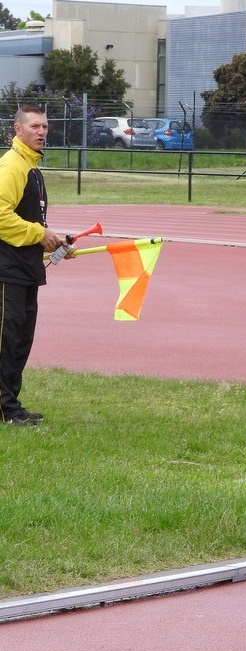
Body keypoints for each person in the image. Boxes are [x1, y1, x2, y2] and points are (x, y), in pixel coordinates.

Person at [0, 104, 65, 426]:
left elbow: (27, 220)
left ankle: (11, 405)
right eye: (35, 126)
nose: (41, 132)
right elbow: (0, 215)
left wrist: (54, 243)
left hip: (24, 268)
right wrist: (40, 234)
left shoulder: (32, 168)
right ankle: (6, 410)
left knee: (21, 339)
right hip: (6, 271)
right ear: (18, 129)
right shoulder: (12, 166)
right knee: (7, 340)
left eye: (45, 127)